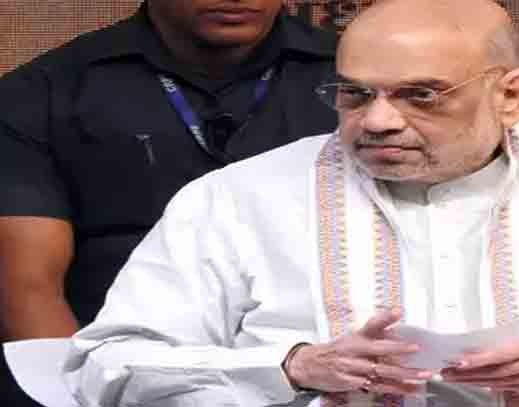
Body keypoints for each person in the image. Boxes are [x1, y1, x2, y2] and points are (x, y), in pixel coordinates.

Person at [64, 0, 519, 406]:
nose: (378, 120)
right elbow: (104, 367)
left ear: (512, 95)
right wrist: (290, 367)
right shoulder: (236, 201)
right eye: (355, 93)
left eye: (421, 95)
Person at [0, 0, 336, 405]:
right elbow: (30, 288)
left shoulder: (358, 82)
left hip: (324, 379)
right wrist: (80, 395)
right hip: (117, 380)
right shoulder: (43, 92)